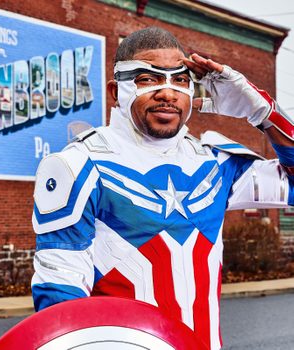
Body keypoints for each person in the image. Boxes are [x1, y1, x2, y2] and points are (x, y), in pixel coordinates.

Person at [31, 27, 294, 350]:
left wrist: (263, 112)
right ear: (116, 91)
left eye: (180, 80)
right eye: (147, 79)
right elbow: (62, 303)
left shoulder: (216, 166)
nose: (167, 93)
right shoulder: (79, 165)